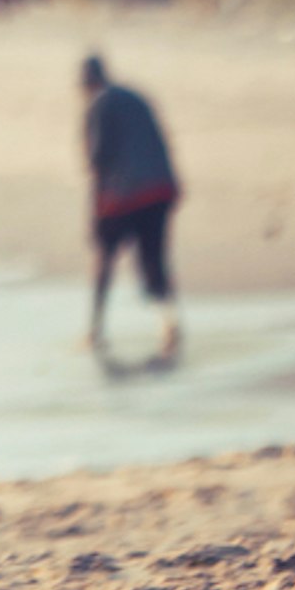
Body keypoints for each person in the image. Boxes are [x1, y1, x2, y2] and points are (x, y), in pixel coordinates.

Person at [81, 52, 182, 366]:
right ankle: (168, 323)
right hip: (160, 188)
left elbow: (97, 159)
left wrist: (94, 212)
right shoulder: (136, 97)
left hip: (123, 196)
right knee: (154, 259)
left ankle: (96, 329)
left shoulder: (97, 106)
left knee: (105, 261)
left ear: (86, 84)